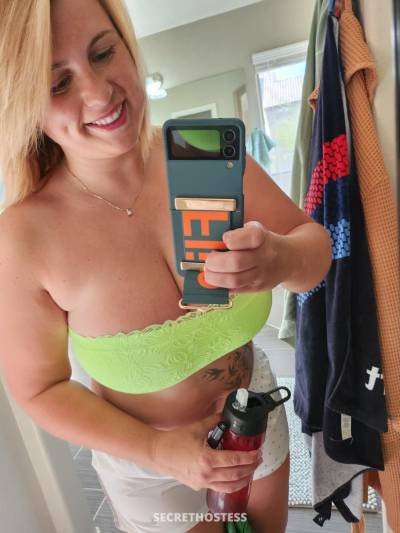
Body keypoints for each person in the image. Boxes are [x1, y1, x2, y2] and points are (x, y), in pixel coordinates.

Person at [0, 1, 332, 532]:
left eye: (103, 53)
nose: (100, 93)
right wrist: (157, 450)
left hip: (253, 418)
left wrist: (282, 258)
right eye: (58, 83)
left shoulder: (204, 156)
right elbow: (38, 390)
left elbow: (315, 250)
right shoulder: (25, 236)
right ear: (25, 105)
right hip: (149, 467)